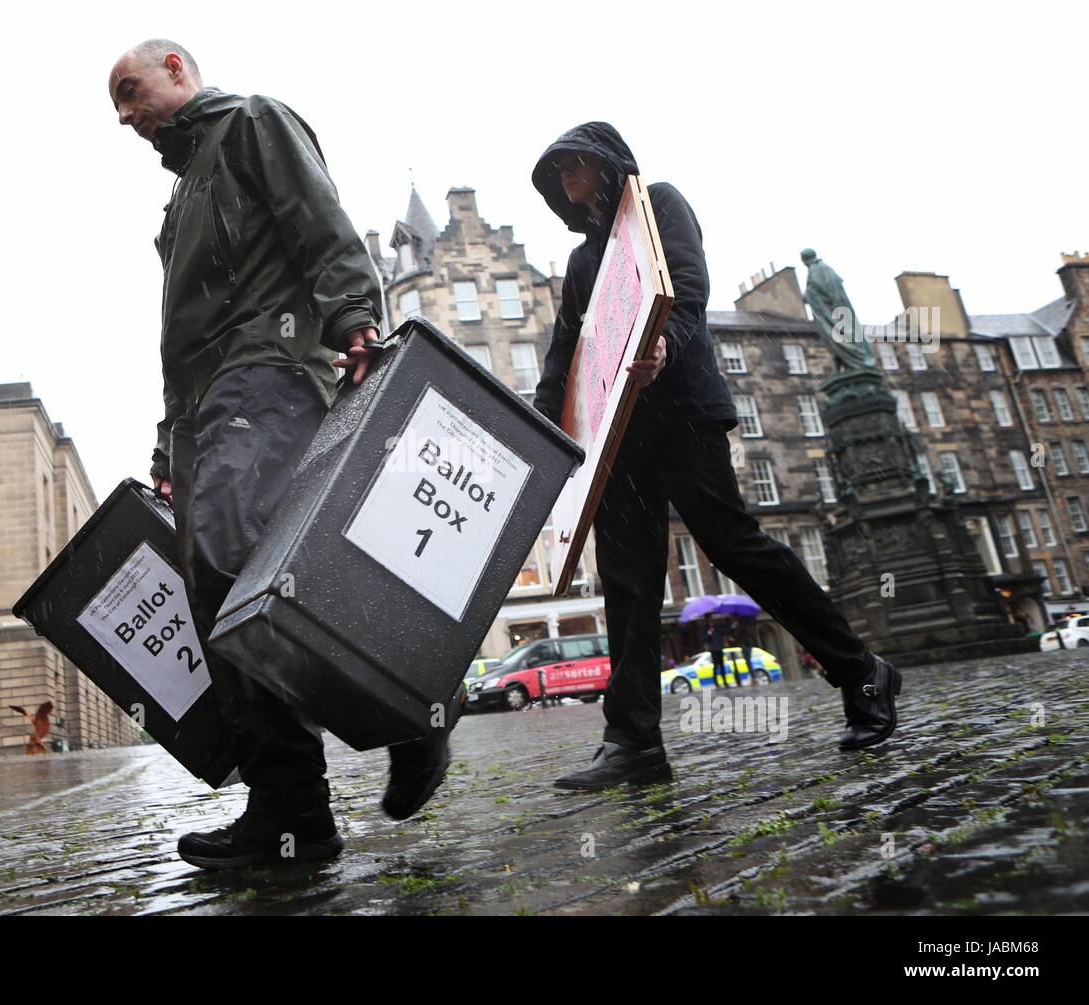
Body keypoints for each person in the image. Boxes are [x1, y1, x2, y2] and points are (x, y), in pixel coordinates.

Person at [108, 39, 452, 870]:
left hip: (269, 370)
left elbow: (319, 220)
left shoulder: (252, 123)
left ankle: (409, 711)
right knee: (216, 605)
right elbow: (176, 343)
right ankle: (293, 816)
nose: (124, 115)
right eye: (115, 107)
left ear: (179, 70)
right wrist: (167, 444)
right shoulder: (179, 202)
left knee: (234, 569)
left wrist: (353, 318)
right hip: (203, 410)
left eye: (131, 89)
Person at [530, 123, 903, 791]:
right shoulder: (584, 264)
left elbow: (688, 287)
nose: (563, 175)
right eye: (554, 171)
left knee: (734, 544)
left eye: (571, 162)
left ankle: (860, 669)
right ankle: (634, 741)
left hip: (680, 415)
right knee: (629, 582)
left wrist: (664, 342)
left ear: (606, 159)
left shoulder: (657, 205)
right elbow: (565, 360)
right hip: (617, 439)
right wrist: (537, 427)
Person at [705, 614, 731, 689]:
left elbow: (724, 632)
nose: (711, 620)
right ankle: (716, 683)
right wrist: (709, 632)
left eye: (711, 619)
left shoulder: (717, 627)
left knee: (722, 666)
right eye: (709, 619)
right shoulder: (706, 628)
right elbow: (705, 638)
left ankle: (725, 682)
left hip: (719, 648)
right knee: (715, 666)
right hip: (713, 650)